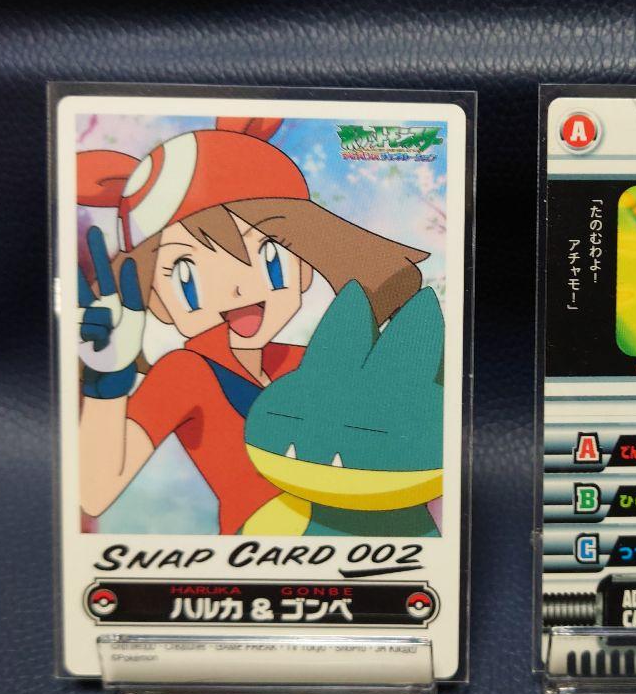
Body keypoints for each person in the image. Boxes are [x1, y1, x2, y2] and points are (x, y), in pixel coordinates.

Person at [76, 116, 428, 534]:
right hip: (261, 550)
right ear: (157, 301)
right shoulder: (185, 374)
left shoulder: (314, 361)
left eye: (268, 255)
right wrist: (105, 382)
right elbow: (94, 492)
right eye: (187, 275)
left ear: (305, 265)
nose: (238, 288)